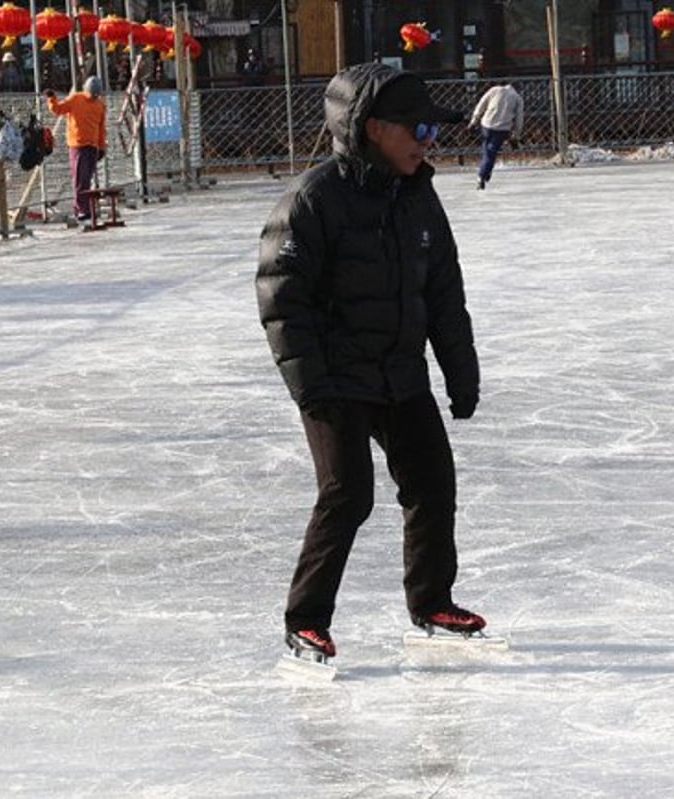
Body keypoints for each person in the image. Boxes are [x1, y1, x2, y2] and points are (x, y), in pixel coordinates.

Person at [255, 63, 483, 662]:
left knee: (432, 482)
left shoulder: (418, 197)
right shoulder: (312, 200)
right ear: (377, 128)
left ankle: (431, 600)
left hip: (400, 372)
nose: (429, 139)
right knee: (347, 494)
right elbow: (282, 297)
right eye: (419, 127)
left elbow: (442, 293)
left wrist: (460, 372)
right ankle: (305, 619)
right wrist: (311, 387)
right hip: (336, 378)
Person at [44, 76, 106, 224]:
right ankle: (81, 209)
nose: (93, 97)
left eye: (95, 95)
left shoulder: (99, 105)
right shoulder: (77, 99)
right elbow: (58, 109)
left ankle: (85, 208)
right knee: (80, 179)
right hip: (78, 145)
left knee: (85, 179)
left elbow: (101, 128)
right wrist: (51, 98)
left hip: (91, 146)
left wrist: (101, 146)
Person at [468, 82, 524, 190]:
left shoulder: (494, 90)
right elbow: (519, 119)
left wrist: (474, 121)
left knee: (487, 150)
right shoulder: (517, 98)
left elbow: (481, 104)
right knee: (491, 151)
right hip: (502, 128)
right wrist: (516, 136)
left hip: (486, 124)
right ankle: (483, 175)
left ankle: (485, 171)